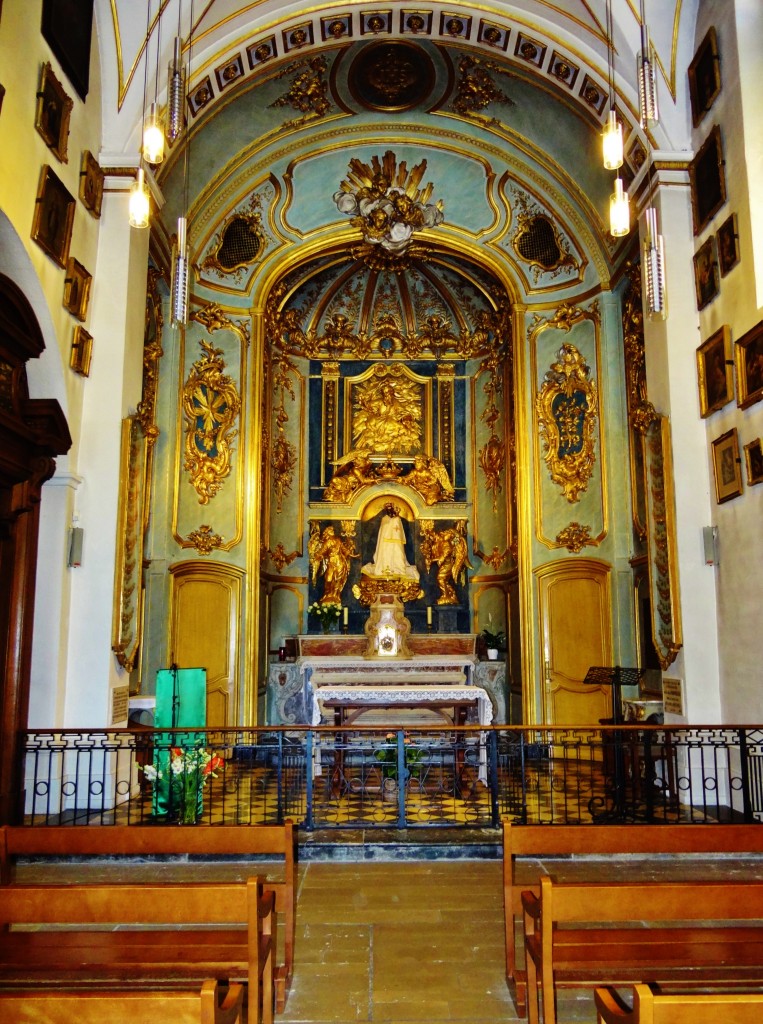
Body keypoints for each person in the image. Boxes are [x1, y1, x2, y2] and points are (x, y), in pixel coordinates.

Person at [362, 502, 419, 580]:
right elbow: (381, 534)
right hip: (384, 544)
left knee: (398, 554)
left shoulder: (398, 519)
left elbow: (399, 531)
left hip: (397, 543)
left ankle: (398, 570)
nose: (389, 510)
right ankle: (382, 569)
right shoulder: (384, 519)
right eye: (387, 508)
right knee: (385, 555)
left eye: (390, 508)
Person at [308, 524, 358, 604]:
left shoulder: (337, 539)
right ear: (327, 532)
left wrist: (351, 553)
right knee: (329, 579)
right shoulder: (327, 542)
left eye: (333, 530)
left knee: (338, 579)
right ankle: (328, 594)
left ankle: (335, 595)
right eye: (331, 530)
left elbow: (344, 549)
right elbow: (321, 552)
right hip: (331, 563)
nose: (333, 531)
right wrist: (316, 556)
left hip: (340, 562)